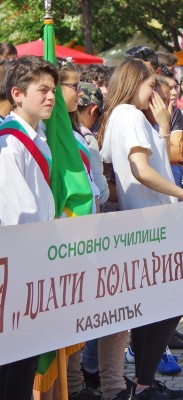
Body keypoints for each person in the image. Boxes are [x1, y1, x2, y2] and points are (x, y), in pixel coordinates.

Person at [98, 59, 183, 400]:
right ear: (133, 82)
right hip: (151, 222)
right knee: (166, 305)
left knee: (156, 307)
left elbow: (160, 160)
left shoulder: (128, 117)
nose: (156, 92)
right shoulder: (128, 116)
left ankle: (144, 383)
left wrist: (163, 124)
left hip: (151, 221)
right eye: (151, 84)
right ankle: (142, 384)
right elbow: (141, 170)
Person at [0, 55, 58, 400]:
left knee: (24, 358)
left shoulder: (36, 136)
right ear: (18, 94)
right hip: (21, 261)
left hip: (34, 257)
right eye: (42, 90)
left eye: (52, 89)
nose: (50, 97)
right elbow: (16, 212)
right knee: (14, 362)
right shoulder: (10, 144)